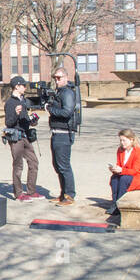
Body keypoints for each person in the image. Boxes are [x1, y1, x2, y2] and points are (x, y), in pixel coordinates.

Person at [3, 76, 41, 201]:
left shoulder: (23, 101)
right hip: (15, 137)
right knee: (18, 165)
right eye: (23, 85)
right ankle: (18, 193)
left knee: (34, 162)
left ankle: (31, 191)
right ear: (16, 86)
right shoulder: (10, 103)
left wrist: (32, 121)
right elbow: (9, 122)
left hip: (25, 135)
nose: (25, 87)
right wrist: (16, 113)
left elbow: (25, 120)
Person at [46, 65, 79, 206]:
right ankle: (63, 194)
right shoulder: (60, 92)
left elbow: (67, 112)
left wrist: (50, 109)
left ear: (66, 77)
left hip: (64, 134)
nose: (57, 81)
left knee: (64, 166)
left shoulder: (67, 93)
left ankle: (69, 195)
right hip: (57, 133)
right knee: (57, 165)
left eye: (59, 78)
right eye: (55, 78)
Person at [109, 128, 140, 202]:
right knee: (114, 179)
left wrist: (121, 170)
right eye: (120, 140)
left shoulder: (138, 151)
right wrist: (114, 169)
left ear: (131, 140)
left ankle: (120, 204)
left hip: (139, 176)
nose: (122, 143)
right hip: (125, 174)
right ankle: (114, 203)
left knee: (124, 179)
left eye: (124, 140)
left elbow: (135, 171)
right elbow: (119, 165)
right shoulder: (120, 150)